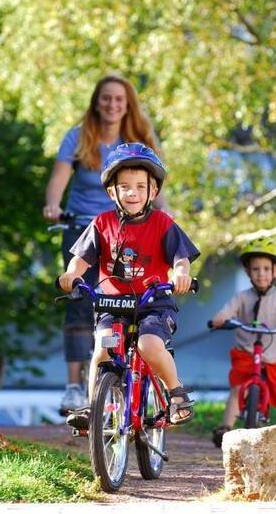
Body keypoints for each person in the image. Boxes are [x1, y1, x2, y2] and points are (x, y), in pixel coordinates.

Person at [57, 143, 200, 429]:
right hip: (113, 304)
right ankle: (92, 409)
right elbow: (80, 260)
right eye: (124, 187)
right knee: (102, 349)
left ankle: (175, 393)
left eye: (139, 186)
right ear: (113, 192)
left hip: (153, 303)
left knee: (148, 344)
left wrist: (181, 275)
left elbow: (181, 260)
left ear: (153, 191)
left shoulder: (162, 223)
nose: (132, 192)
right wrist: (71, 274)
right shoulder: (101, 223)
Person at [43, 75, 162, 414]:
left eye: (119, 100)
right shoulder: (78, 137)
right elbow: (58, 179)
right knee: (79, 299)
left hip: (128, 232)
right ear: (97, 102)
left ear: (127, 106)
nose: (112, 105)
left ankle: (131, 371)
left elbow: (156, 186)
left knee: (131, 296)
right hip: (83, 229)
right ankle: (74, 386)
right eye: (106, 98)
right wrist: (52, 205)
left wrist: (164, 217)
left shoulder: (139, 140)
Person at [208, 237, 276, 447]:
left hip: (275, 356)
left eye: (266, 268)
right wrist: (220, 319)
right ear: (247, 271)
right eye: (255, 269)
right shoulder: (242, 297)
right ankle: (225, 428)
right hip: (246, 352)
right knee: (237, 388)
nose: (261, 273)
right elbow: (227, 310)